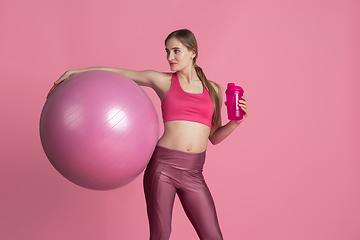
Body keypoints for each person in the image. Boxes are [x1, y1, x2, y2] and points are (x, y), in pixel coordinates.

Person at [48, 29, 248, 240]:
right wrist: (76, 72)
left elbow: (214, 137)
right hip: (163, 168)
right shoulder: (164, 81)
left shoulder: (214, 90)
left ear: (192, 52)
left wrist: (235, 123)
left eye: (176, 51)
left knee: (213, 236)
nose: (170, 57)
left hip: (194, 172)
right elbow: (121, 73)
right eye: (167, 51)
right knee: (161, 234)